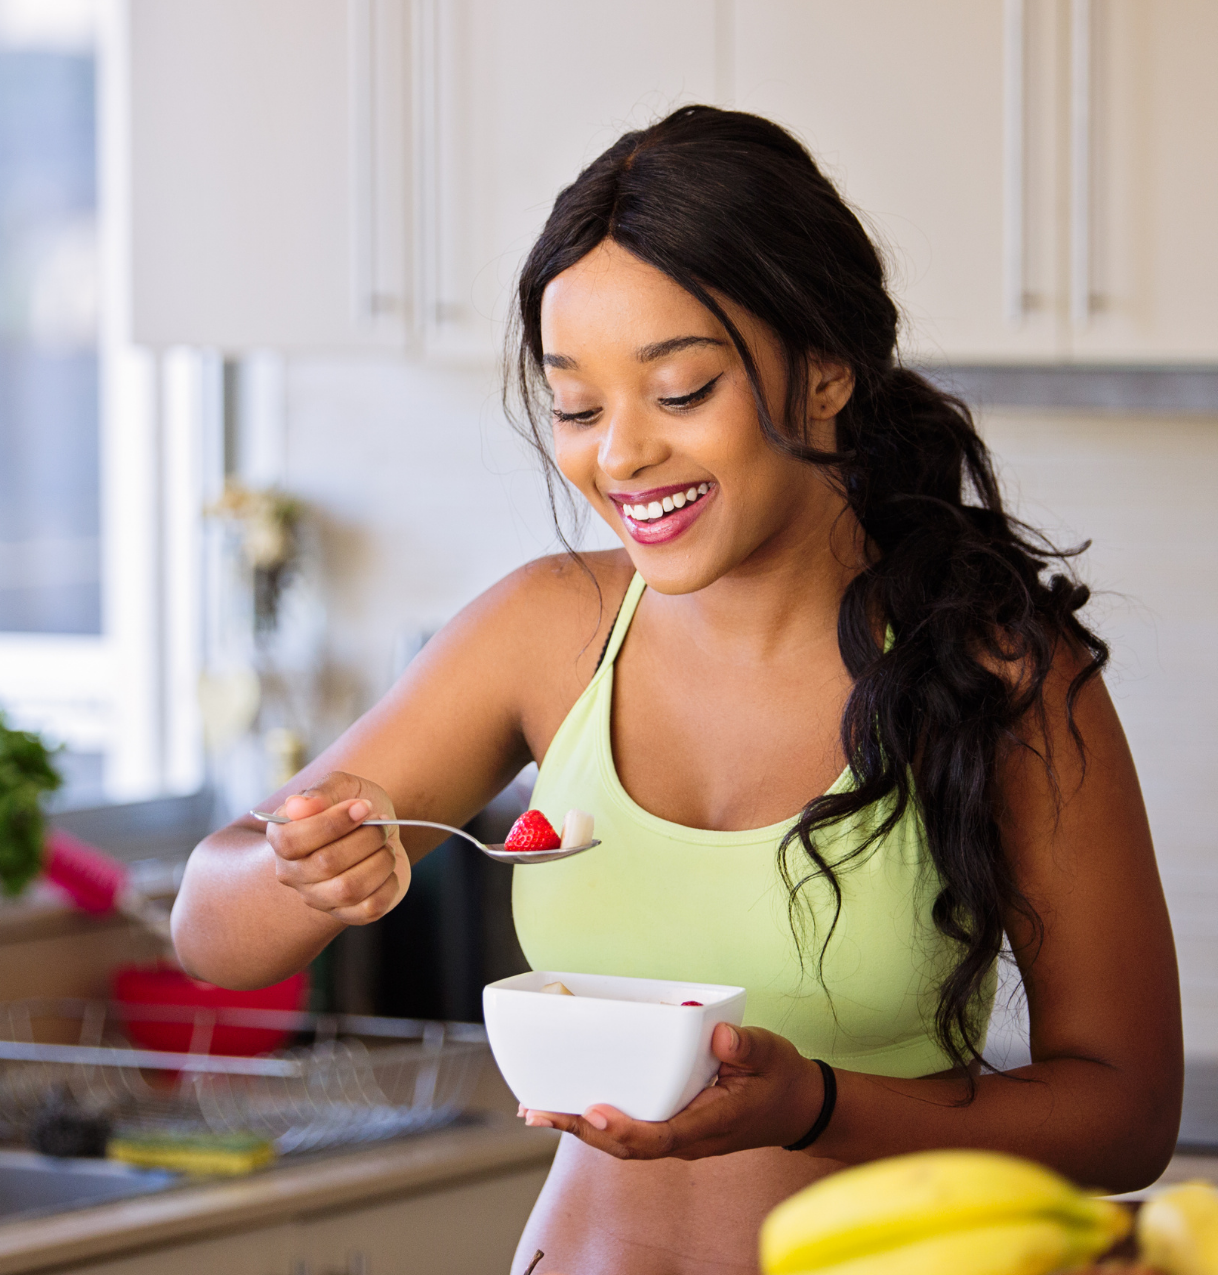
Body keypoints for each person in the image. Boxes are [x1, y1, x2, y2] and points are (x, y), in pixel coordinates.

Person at [170, 106, 1182, 1275]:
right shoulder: (548, 630)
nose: (622, 457)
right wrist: (303, 870)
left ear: (825, 374)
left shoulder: (998, 672)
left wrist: (816, 1106)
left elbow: (1126, 1115)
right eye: (580, 408)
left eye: (682, 390)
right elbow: (212, 930)